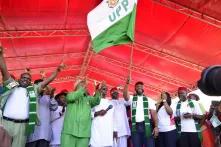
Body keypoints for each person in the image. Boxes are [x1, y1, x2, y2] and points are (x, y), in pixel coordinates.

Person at [0, 45, 64, 147]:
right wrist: (1, 55)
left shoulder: (33, 90)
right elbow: (4, 70)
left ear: (31, 82)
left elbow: (46, 82)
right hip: (6, 123)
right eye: (23, 77)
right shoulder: (12, 85)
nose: (25, 79)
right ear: (19, 79)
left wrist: (57, 71)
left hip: (22, 126)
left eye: (28, 79)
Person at [61, 79, 101, 147]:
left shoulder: (88, 99)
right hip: (69, 131)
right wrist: (81, 89)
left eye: (85, 86)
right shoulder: (70, 95)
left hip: (84, 133)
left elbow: (96, 101)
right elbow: (72, 97)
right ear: (76, 87)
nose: (85, 87)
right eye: (82, 85)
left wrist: (97, 90)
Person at [123, 78, 159, 147]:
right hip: (135, 126)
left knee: (149, 145)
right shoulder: (132, 98)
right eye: (137, 86)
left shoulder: (149, 100)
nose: (139, 87)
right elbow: (125, 96)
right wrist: (127, 84)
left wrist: (156, 127)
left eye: (141, 86)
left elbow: (154, 114)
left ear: (143, 88)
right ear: (135, 89)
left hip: (147, 126)